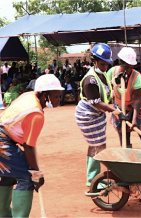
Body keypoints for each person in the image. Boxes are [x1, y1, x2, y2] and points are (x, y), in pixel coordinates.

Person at [0, 74, 64, 217]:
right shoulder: (36, 114)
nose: (59, 100)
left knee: (8, 175)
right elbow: (28, 147)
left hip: (4, 137)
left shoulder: (29, 96)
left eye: (60, 96)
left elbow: (28, 144)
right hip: (3, 141)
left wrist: (35, 170)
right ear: (45, 95)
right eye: (56, 96)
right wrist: (36, 173)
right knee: (26, 176)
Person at [75, 43, 127, 188]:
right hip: (88, 115)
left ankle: (93, 178)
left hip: (96, 115)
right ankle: (93, 180)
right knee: (98, 145)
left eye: (106, 64)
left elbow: (106, 86)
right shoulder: (89, 80)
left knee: (96, 145)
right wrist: (115, 111)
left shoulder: (101, 74)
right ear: (94, 61)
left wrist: (116, 81)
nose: (105, 67)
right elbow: (97, 102)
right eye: (102, 64)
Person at [107, 47, 141, 150]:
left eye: (130, 67)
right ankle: (128, 159)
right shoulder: (112, 72)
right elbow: (106, 88)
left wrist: (134, 120)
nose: (128, 70)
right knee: (124, 135)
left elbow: (137, 100)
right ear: (120, 62)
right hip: (119, 106)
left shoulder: (137, 77)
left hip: (138, 106)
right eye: (125, 66)